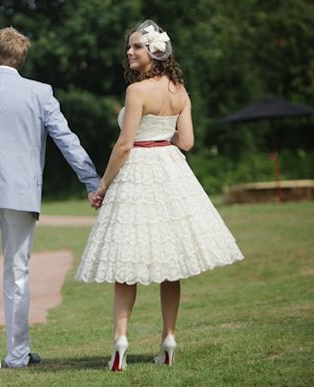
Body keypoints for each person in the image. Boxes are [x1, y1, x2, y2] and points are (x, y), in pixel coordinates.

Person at [76, 20, 244, 370]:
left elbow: (124, 145)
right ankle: (168, 336)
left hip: (137, 169)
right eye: (129, 46)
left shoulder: (136, 93)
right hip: (170, 170)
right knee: (171, 262)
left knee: (126, 263)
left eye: (136, 46)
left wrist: (102, 186)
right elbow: (186, 143)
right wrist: (162, 137)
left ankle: (120, 341)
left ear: (154, 51)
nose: (129, 51)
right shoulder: (180, 91)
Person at [0, 27, 100, 382]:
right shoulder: (40, 92)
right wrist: (91, 181)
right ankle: (17, 354)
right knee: (18, 274)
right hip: (21, 194)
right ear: (19, 59)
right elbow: (66, 139)